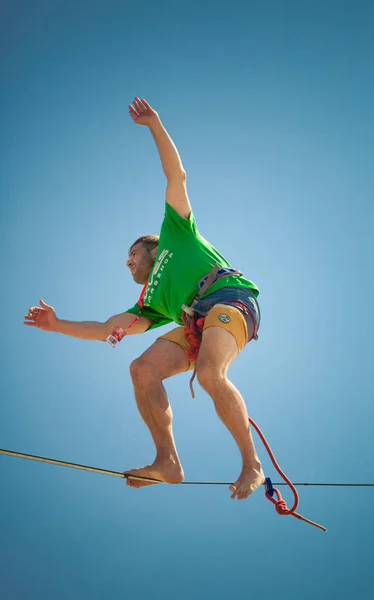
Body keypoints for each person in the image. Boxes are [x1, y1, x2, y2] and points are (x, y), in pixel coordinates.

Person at [24, 98, 265, 500]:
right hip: (194, 325)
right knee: (141, 368)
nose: (128, 262)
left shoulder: (176, 233)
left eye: (133, 254)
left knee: (209, 374)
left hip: (228, 298)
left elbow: (177, 176)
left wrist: (155, 124)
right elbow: (106, 329)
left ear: (151, 248)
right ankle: (168, 461)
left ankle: (251, 464)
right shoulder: (149, 302)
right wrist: (57, 324)